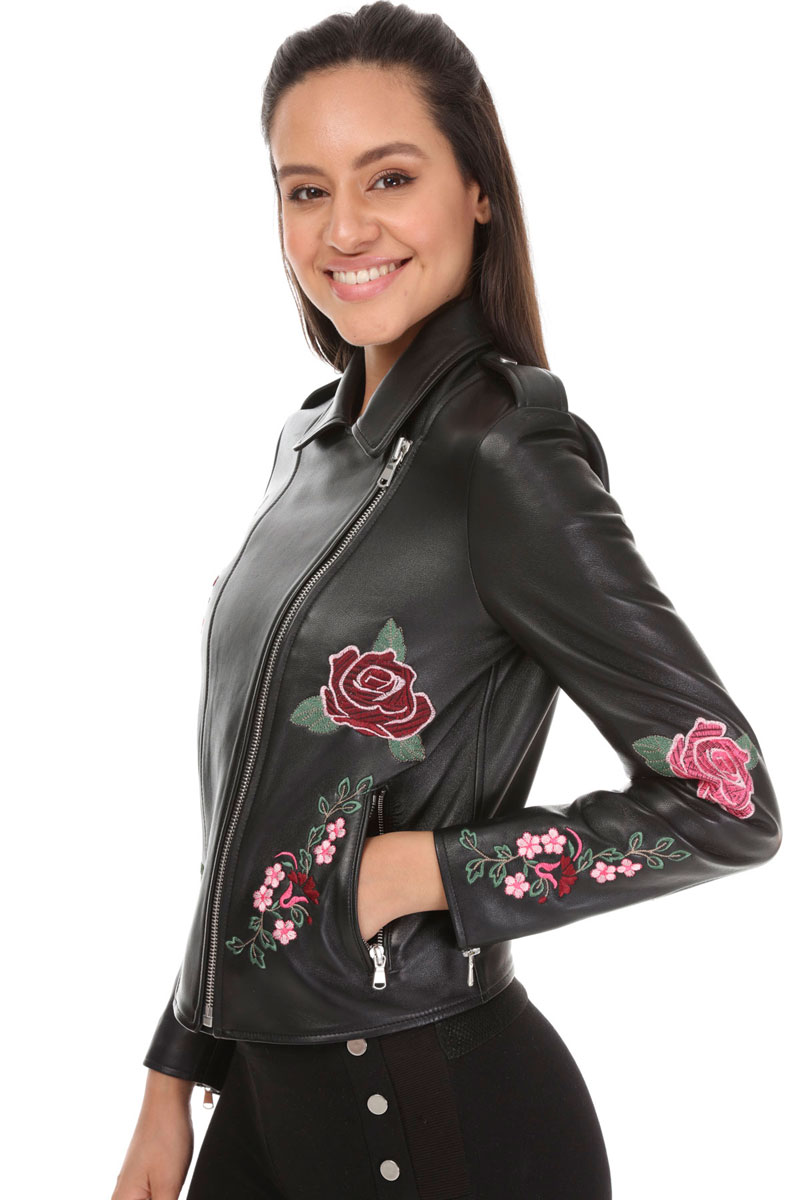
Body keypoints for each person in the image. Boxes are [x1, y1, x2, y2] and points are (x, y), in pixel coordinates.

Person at [112, 4, 782, 1198]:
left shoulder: (507, 459)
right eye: (305, 190)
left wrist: (425, 871)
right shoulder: (309, 447)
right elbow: (258, 800)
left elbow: (725, 801)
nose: (344, 228)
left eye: (388, 177)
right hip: (264, 1101)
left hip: (435, 1115)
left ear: (476, 189)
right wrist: (174, 1073)